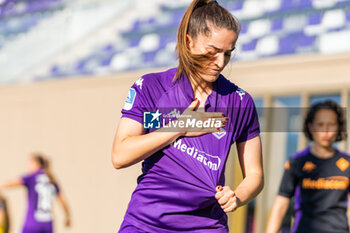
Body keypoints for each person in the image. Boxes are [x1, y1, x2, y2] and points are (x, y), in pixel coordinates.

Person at [111, 0, 264, 232]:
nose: (220, 62)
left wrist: (237, 196)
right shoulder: (151, 87)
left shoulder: (240, 103)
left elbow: (254, 174)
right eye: (212, 52)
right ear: (188, 41)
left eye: (227, 54)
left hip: (206, 226)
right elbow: (120, 155)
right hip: (146, 223)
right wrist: (178, 128)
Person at [265, 100, 349, 233]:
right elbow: (281, 203)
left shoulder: (347, 163)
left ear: (339, 127)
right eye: (320, 125)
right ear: (310, 127)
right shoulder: (297, 162)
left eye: (331, 125)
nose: (326, 131)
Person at [0, 153, 71, 233]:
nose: (28, 166)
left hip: (32, 223)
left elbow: (11, 183)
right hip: (47, 223)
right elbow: (62, 200)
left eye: (29, 163)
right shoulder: (52, 180)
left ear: (36, 164)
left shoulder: (32, 178)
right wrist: (68, 215)